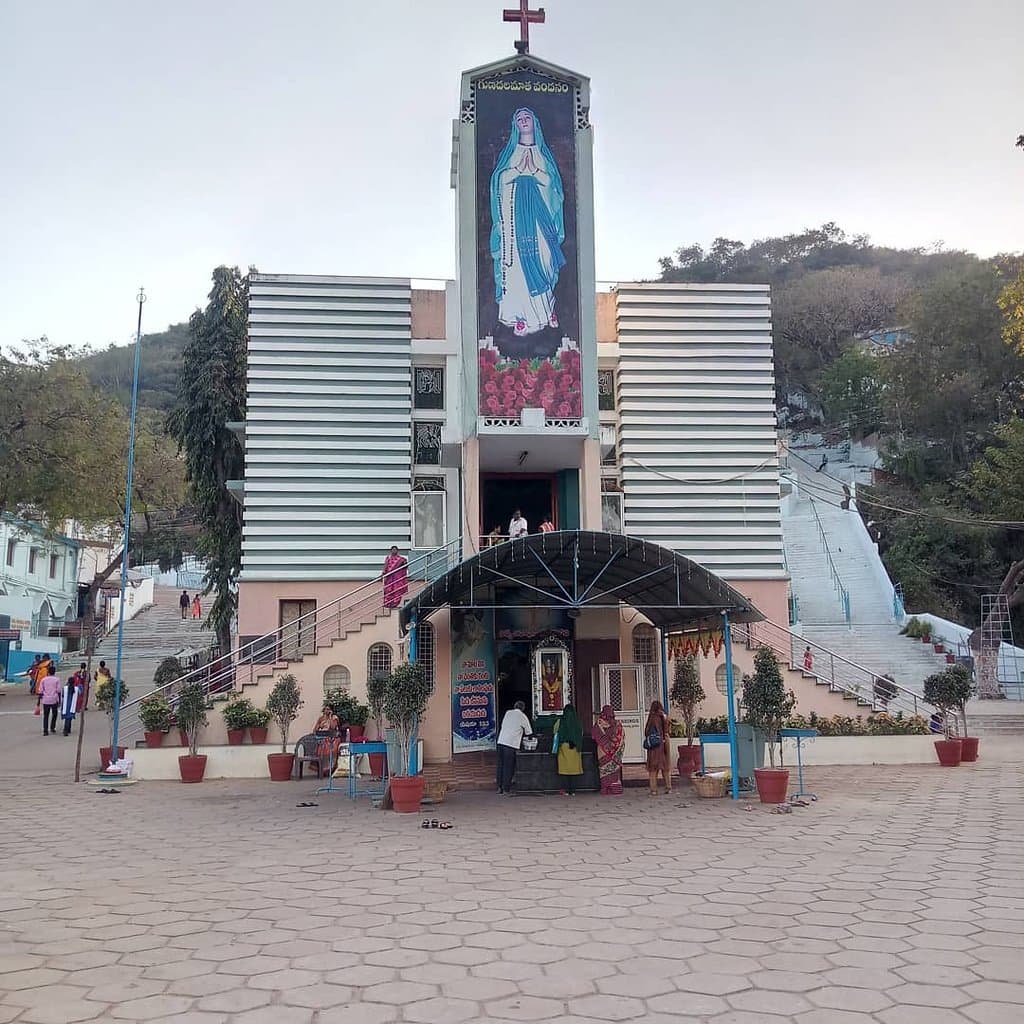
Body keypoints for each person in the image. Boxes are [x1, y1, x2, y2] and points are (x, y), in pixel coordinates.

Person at [488, 107, 566, 338]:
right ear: (515, 125)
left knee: (544, 260)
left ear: (535, 123)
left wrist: (535, 175)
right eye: (519, 119)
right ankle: (521, 316)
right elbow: (499, 183)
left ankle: (544, 311)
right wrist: (516, 172)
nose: (523, 121)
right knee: (517, 269)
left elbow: (554, 190)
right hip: (514, 226)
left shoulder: (543, 155)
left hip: (540, 223)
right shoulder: (510, 154)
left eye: (527, 118)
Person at [496, 700, 532, 795]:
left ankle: (499, 787)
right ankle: (506, 789)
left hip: (501, 741)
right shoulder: (522, 716)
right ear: (523, 708)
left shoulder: (508, 713)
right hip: (510, 744)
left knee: (501, 765)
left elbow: (503, 725)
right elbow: (529, 732)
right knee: (508, 767)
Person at [592, 704, 625, 795]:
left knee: (604, 769)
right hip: (615, 752)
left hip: (602, 750)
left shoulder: (599, 723)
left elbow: (594, 735)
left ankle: (606, 789)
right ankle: (615, 789)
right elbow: (622, 738)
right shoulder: (618, 724)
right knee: (614, 770)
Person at [553, 703, 584, 796]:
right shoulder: (577, 722)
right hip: (575, 748)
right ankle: (573, 791)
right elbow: (581, 733)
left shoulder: (560, 721)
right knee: (573, 770)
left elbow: (555, 731)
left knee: (564, 770)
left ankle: (565, 790)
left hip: (563, 747)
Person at [644, 700, 671, 796]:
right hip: (664, 744)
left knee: (653, 769)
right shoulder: (665, 716)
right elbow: (668, 730)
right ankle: (668, 787)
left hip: (655, 746)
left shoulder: (652, 717)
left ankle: (654, 790)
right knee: (665, 767)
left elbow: (647, 731)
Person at [37, 667, 62, 737]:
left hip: (46, 700)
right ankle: (52, 727)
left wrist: (38, 701)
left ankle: (45, 730)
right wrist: (59, 700)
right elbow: (59, 690)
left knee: (46, 715)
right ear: (54, 672)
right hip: (54, 699)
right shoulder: (57, 679)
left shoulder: (43, 679)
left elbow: (40, 691)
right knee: (54, 714)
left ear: (48, 672)